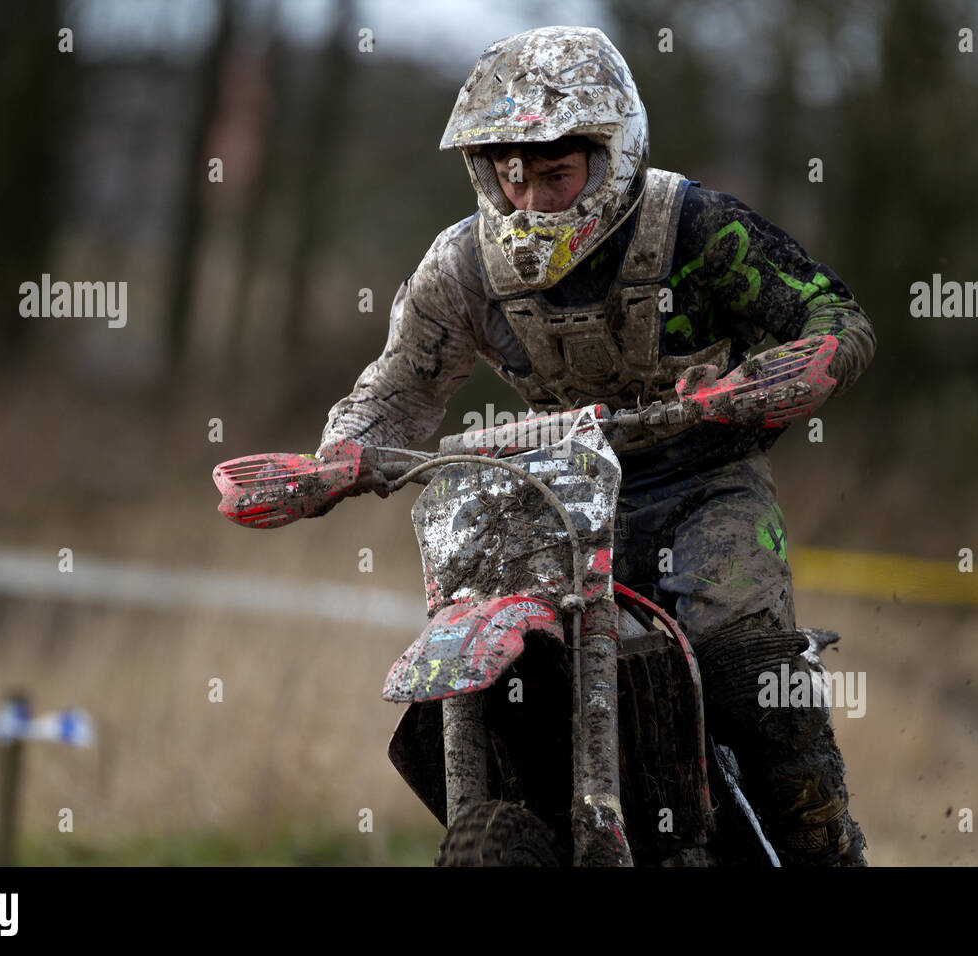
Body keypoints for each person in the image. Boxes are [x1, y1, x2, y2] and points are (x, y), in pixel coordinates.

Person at [317, 25, 875, 866]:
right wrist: (335, 457)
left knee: (750, 674)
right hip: (554, 500)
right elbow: (397, 388)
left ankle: (830, 853)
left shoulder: (694, 227)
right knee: (490, 687)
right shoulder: (464, 264)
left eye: (554, 174)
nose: (532, 201)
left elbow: (834, 316)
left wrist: (770, 381)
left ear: (613, 155)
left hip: (703, 483)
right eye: (513, 176)